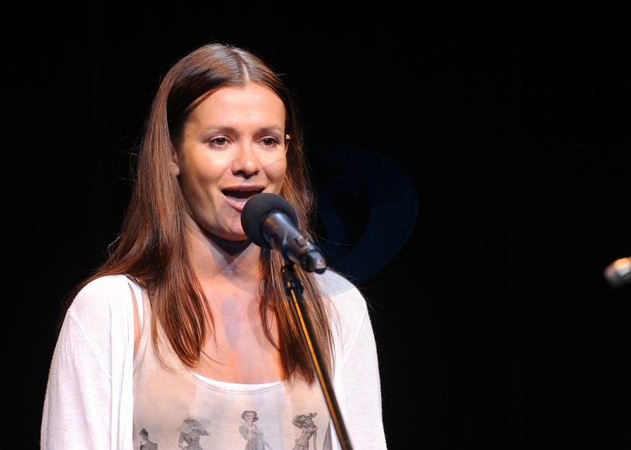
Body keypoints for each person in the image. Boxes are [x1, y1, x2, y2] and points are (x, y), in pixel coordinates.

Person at [40, 41, 387, 449]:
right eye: (220, 140)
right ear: (173, 154)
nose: (248, 164)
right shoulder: (111, 311)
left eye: (267, 140)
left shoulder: (336, 308)